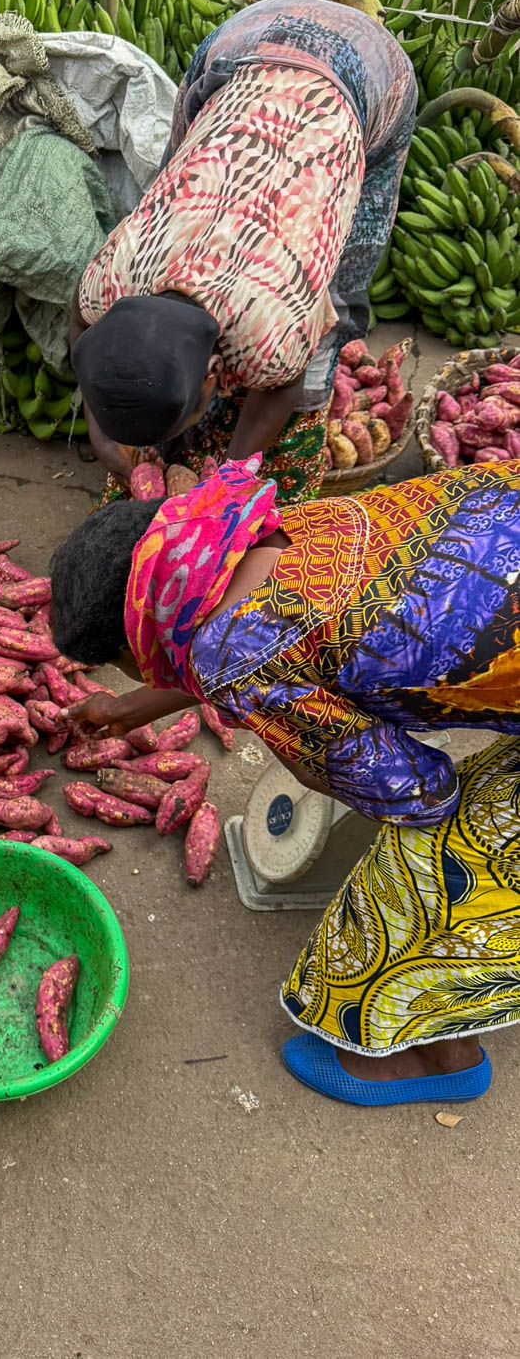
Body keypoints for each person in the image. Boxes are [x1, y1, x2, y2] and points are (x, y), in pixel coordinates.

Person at [49, 453, 520, 1106]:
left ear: (135, 643)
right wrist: (132, 707)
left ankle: (442, 1054)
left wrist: (311, 757)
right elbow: (261, 635)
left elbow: (415, 790)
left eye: (118, 668)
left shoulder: (236, 655)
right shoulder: (260, 530)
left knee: (442, 855)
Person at [69, 0, 417, 505]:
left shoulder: (269, 331)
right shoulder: (110, 279)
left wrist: (229, 476)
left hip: (365, 75)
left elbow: (283, 389)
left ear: (215, 373)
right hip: (241, 46)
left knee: (339, 292)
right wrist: (102, 433)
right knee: (180, 165)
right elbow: (80, 326)